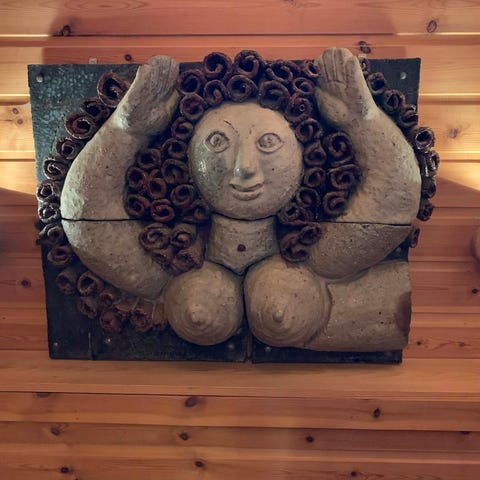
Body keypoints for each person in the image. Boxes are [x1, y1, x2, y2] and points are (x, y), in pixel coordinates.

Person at [60, 48, 420, 351]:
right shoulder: (168, 264)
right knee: (200, 307)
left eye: (268, 143)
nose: (244, 168)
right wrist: (126, 131)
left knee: (279, 306)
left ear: (305, 156)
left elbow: (393, 202)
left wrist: (361, 121)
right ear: (185, 158)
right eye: (218, 142)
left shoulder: (323, 254)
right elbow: (87, 223)